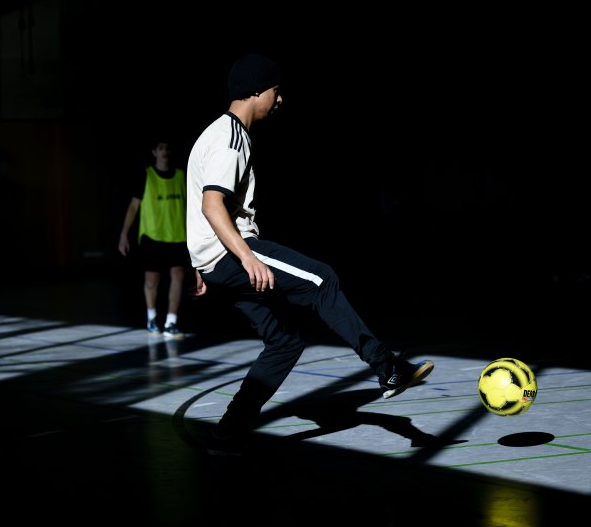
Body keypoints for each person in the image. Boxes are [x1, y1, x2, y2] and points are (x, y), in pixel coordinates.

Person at [186, 53, 434, 453]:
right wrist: (246, 257)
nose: (280, 99)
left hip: (215, 259)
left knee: (284, 342)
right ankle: (386, 366)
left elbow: (201, 202)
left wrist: (200, 261)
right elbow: (211, 204)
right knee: (322, 279)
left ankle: (228, 431)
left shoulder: (219, 134)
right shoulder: (230, 138)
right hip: (233, 254)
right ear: (257, 91)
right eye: (276, 91)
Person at [118, 137, 188, 339]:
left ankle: (171, 322)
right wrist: (124, 234)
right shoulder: (146, 175)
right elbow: (133, 206)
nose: (165, 151)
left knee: (178, 277)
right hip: (152, 235)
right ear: (154, 152)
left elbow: (190, 206)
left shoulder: (181, 176)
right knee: (152, 280)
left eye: (167, 148)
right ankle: (151, 318)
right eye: (161, 148)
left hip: (177, 235)